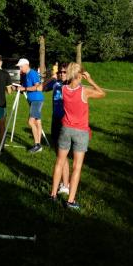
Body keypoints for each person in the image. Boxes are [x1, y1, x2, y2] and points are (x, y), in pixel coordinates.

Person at [49, 63, 105, 210]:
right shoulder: (84, 91)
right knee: (77, 167)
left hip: (65, 129)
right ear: (80, 75)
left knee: (59, 162)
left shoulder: (63, 89)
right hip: (80, 131)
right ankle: (70, 200)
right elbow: (102, 93)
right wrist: (90, 80)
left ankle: (53, 194)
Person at [43, 62, 69, 195]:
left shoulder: (71, 85)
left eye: (64, 72)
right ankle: (64, 182)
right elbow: (42, 88)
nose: (61, 74)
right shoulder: (55, 83)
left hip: (66, 122)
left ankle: (65, 184)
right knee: (59, 153)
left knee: (62, 154)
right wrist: (52, 78)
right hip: (55, 120)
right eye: (60, 72)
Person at [17, 58, 45, 153]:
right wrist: (20, 88)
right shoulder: (26, 75)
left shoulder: (32, 73)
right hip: (33, 100)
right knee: (37, 122)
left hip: (36, 100)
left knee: (30, 122)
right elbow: (26, 87)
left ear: (26, 65)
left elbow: (38, 87)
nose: (20, 69)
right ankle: (38, 144)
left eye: (21, 67)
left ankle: (37, 145)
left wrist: (24, 88)